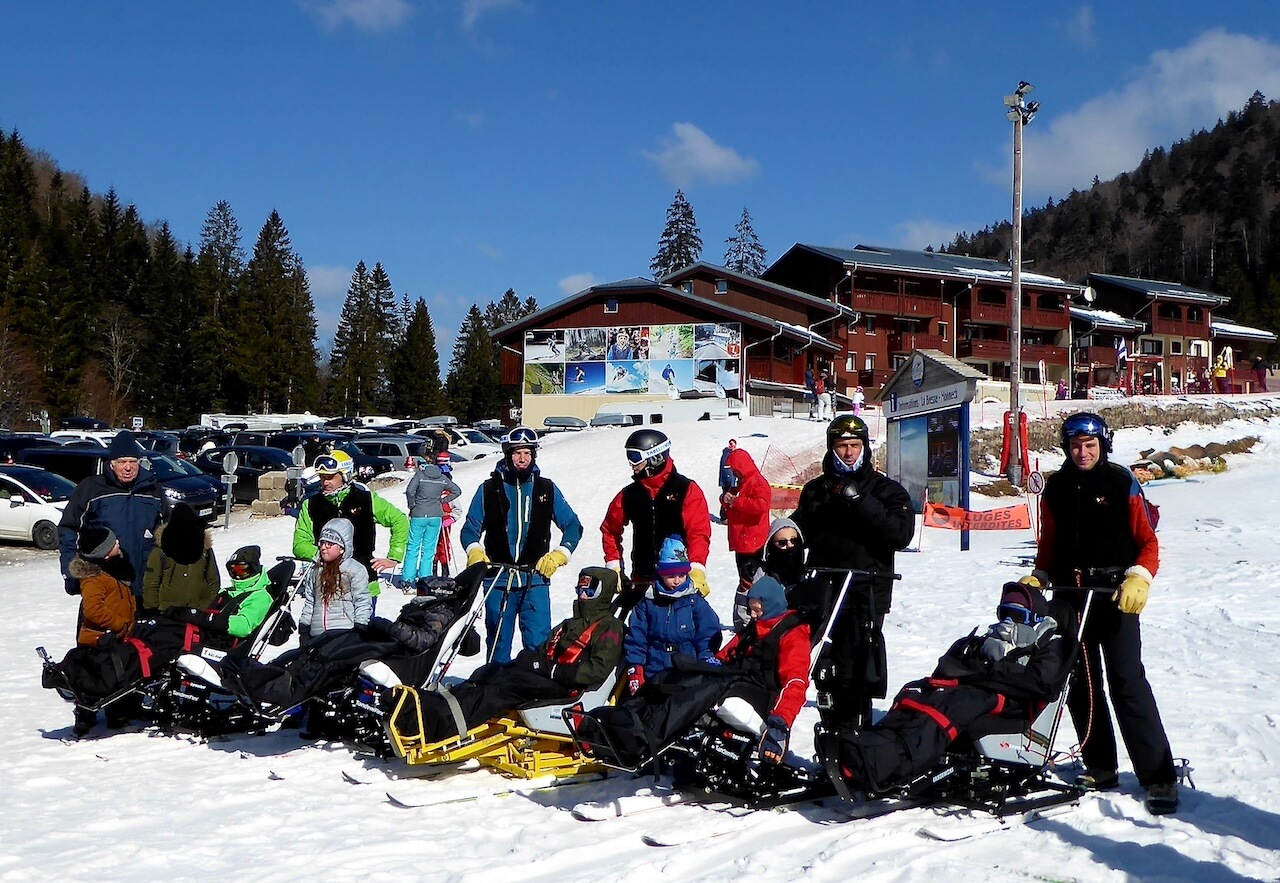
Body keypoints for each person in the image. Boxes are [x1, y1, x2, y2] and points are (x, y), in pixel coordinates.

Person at [1026, 411, 1179, 815]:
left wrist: (1140, 577)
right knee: (1081, 682)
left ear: (1102, 445)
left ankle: (1158, 775)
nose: (1082, 452)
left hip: (1114, 594)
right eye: (1075, 445)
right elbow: (1050, 542)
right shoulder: (1056, 487)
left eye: (1090, 445)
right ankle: (1101, 764)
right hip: (1070, 594)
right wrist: (1040, 575)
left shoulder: (1120, 481)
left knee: (1127, 680)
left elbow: (1147, 540)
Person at [826, 582, 1073, 794]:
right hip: (978, 691)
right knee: (917, 694)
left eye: (1017, 616)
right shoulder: (988, 639)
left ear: (1036, 619)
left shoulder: (1050, 646)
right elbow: (948, 666)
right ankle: (873, 746)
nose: (1008, 622)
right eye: (1004, 613)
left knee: (949, 708)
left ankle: (888, 761)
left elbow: (1039, 684)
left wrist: (982, 672)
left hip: (1011, 706)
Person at [581, 576, 810, 770]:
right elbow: (724, 657)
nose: (752, 614)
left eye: (756, 609)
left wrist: (779, 724)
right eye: (750, 608)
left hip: (764, 696)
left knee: (704, 689)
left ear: (770, 605)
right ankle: (622, 723)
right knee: (675, 675)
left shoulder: (792, 634)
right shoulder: (754, 629)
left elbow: (795, 682)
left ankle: (647, 738)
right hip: (736, 680)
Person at [392, 567, 624, 744]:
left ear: (602, 596)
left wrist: (549, 669)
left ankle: (440, 724)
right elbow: (544, 651)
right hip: (550, 678)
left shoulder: (609, 628)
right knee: (492, 671)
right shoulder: (571, 623)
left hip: (569, 689)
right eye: (580, 589)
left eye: (589, 591)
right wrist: (531, 661)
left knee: (505, 686)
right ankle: (434, 707)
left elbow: (597, 670)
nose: (582, 595)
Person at [792, 414, 914, 729]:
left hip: (866, 592)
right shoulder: (816, 490)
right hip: (824, 591)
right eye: (842, 445)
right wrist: (778, 541)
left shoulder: (887, 490)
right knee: (826, 669)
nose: (848, 453)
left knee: (859, 670)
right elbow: (799, 529)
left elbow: (900, 534)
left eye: (855, 445)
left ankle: (857, 734)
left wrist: (859, 501)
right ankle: (831, 731)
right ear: (832, 447)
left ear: (865, 448)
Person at [461, 427, 584, 664]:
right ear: (507, 454)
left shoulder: (546, 489)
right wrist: (474, 549)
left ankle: (535, 695)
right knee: (498, 645)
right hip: (498, 581)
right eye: (517, 453)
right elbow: (469, 528)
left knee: (539, 647)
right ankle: (496, 692)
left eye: (527, 453)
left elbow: (573, 526)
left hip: (535, 579)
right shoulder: (489, 489)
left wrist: (560, 553)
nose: (522, 458)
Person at [292, 449, 408, 616]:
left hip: (364, 586)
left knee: (361, 639)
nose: (325, 483)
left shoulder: (367, 499)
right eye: (322, 477)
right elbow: (299, 544)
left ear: (345, 475)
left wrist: (394, 556)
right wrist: (325, 555)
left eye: (330, 477)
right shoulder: (310, 505)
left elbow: (400, 521)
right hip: (327, 586)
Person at [601, 429, 712, 600]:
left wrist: (697, 569)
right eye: (628, 456)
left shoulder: (686, 490)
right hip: (643, 582)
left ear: (655, 457)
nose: (631, 464)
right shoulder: (629, 494)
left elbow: (698, 533)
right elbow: (610, 529)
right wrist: (615, 565)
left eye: (635, 457)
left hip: (677, 582)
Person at [58, 430, 168, 598]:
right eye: (122, 461)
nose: (128, 467)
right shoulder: (91, 489)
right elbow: (68, 529)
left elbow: (167, 532)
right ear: (111, 464)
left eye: (133, 461)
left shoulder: (153, 490)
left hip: (146, 584)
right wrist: (71, 570)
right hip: (104, 583)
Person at [623, 536, 721, 696]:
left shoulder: (693, 600)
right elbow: (637, 638)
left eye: (681, 575)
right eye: (671, 576)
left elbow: (708, 632)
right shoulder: (648, 602)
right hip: (654, 666)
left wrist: (705, 658)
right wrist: (636, 667)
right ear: (660, 574)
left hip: (687, 666)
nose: (677, 581)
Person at [722, 445, 772, 628]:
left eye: (736, 470)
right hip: (742, 541)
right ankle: (746, 619)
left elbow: (760, 506)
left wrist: (736, 501)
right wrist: (727, 501)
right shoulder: (742, 484)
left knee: (750, 581)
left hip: (753, 541)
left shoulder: (757, 482)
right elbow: (735, 508)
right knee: (744, 580)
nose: (735, 474)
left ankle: (753, 617)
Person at [298, 518, 372, 642]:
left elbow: (362, 600)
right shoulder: (315, 570)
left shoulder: (354, 570)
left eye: (330, 544)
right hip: (317, 634)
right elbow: (310, 600)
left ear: (342, 548)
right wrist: (305, 625)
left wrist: (360, 625)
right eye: (322, 543)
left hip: (343, 632)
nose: (324, 548)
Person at [142, 502, 220, 616]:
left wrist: (207, 604)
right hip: (167, 612)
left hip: (199, 611)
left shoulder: (204, 550)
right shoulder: (161, 552)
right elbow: (151, 582)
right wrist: (153, 609)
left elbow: (213, 580)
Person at [403, 457, 461, 589]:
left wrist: (412, 505)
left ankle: (408, 579)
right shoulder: (442, 478)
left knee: (413, 547)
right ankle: (426, 578)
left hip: (419, 514)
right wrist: (442, 501)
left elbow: (410, 491)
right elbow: (457, 491)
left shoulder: (420, 476)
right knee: (429, 549)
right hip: (436, 516)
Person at [755, 517, 807, 590]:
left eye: (794, 541)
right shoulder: (762, 574)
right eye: (782, 543)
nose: (789, 545)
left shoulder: (808, 575)